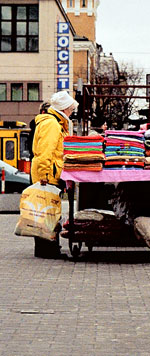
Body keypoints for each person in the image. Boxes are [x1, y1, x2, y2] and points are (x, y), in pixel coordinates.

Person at [30, 91, 78, 258]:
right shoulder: (52, 124)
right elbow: (45, 151)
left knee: (46, 212)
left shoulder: (53, 122)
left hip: (49, 173)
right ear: (64, 109)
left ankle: (46, 248)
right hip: (48, 175)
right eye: (71, 109)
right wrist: (43, 175)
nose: (71, 113)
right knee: (48, 213)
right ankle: (48, 250)